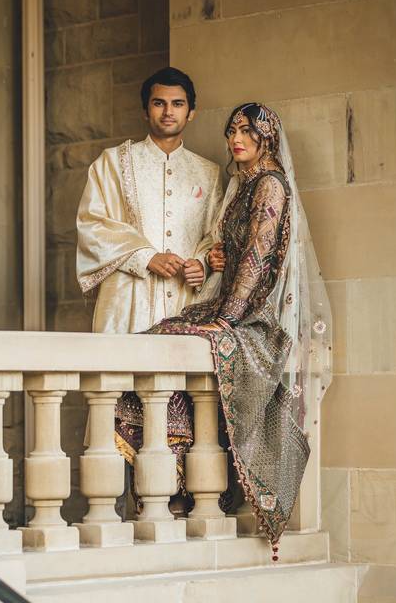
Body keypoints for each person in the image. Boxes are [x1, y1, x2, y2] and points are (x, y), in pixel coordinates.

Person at [141, 102, 333, 558]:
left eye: (246, 130)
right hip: (231, 303)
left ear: (266, 136)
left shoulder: (268, 185)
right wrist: (217, 263)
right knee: (157, 336)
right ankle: (175, 480)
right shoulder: (242, 185)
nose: (235, 139)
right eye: (231, 131)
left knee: (187, 339)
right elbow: (233, 253)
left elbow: (257, 260)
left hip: (255, 315)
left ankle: (189, 485)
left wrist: (225, 319)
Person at [75, 66, 223, 509]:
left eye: (177, 104)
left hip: (186, 307)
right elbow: (92, 225)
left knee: (183, 415)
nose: (168, 111)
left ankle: (174, 509)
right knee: (122, 406)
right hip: (131, 306)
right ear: (146, 108)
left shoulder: (209, 174)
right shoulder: (112, 164)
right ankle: (131, 512)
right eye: (159, 102)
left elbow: (217, 237)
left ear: (191, 112)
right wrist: (145, 257)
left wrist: (200, 263)